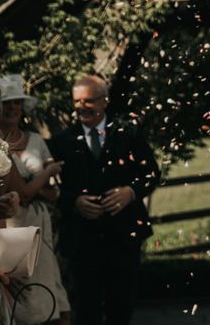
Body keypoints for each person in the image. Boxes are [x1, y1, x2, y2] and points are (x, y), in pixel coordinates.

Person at [50, 75, 161, 325]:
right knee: (86, 309)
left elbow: (152, 173)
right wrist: (75, 202)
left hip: (123, 237)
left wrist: (129, 193)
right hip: (82, 240)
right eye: (77, 101)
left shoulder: (128, 133)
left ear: (104, 102)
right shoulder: (61, 141)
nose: (81, 107)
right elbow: (53, 191)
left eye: (88, 101)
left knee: (120, 308)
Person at [0, 73, 70, 324]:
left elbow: (52, 190)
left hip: (39, 220)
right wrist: (44, 175)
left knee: (47, 282)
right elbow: (22, 194)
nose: (12, 107)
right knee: (20, 288)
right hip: (11, 222)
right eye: (6, 102)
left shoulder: (36, 140)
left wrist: (41, 185)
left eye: (16, 102)